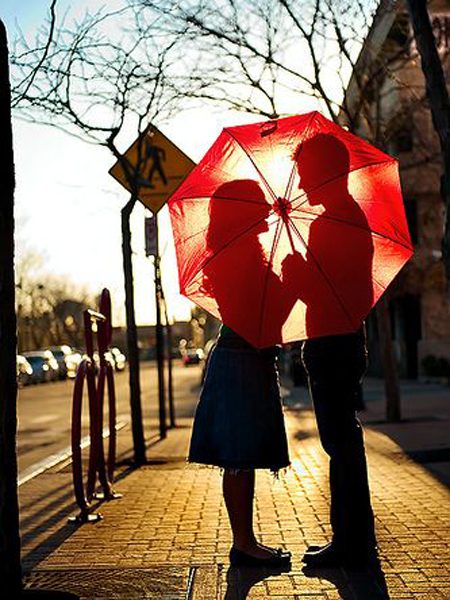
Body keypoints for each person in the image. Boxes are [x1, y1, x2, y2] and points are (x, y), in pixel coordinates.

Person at [188, 179, 295, 568]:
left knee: (243, 455)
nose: (267, 210)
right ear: (244, 213)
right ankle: (244, 544)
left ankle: (246, 541)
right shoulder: (238, 257)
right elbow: (259, 319)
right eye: (260, 205)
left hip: (245, 358)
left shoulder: (244, 252)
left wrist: (285, 280)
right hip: (241, 359)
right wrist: (289, 284)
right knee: (237, 454)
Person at [290, 134, 378, 569]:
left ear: (326, 173)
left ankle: (352, 542)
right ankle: (353, 538)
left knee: (341, 445)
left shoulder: (331, 223)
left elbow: (329, 293)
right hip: (343, 342)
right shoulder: (348, 216)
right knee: (344, 443)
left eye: (306, 171)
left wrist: (296, 272)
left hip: (332, 345)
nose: (302, 180)